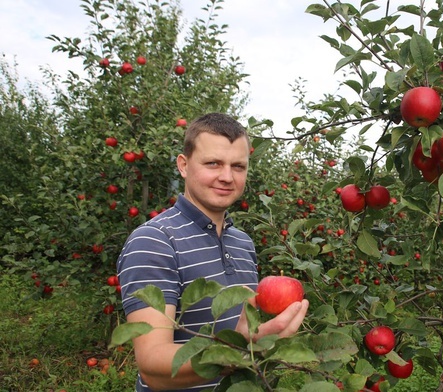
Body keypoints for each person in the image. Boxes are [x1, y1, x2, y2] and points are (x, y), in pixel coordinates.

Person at [116, 113, 309, 391]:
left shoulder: (243, 244)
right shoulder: (154, 240)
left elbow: (242, 332)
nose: (227, 177)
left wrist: (252, 340)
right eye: (213, 163)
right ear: (183, 165)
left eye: (238, 166)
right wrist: (245, 353)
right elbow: (154, 366)